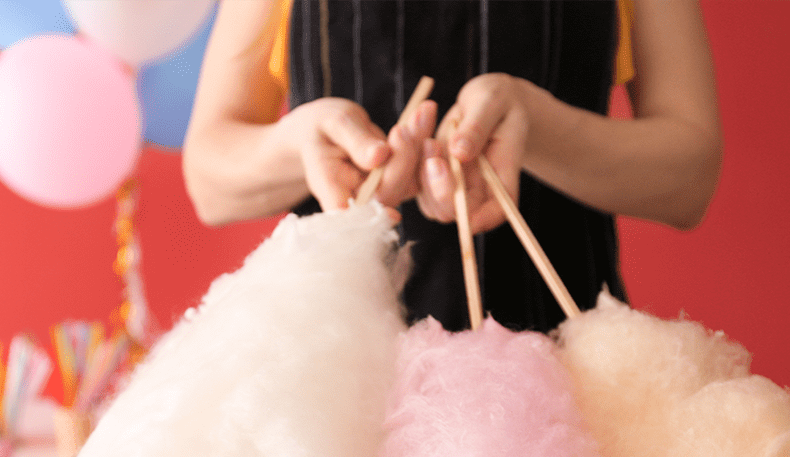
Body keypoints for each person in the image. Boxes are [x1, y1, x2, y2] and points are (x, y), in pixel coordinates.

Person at [182, 0, 722, 333]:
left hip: (564, 369)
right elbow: (210, 179)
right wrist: (300, 144)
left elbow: (689, 176)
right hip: (333, 392)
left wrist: (537, 126)